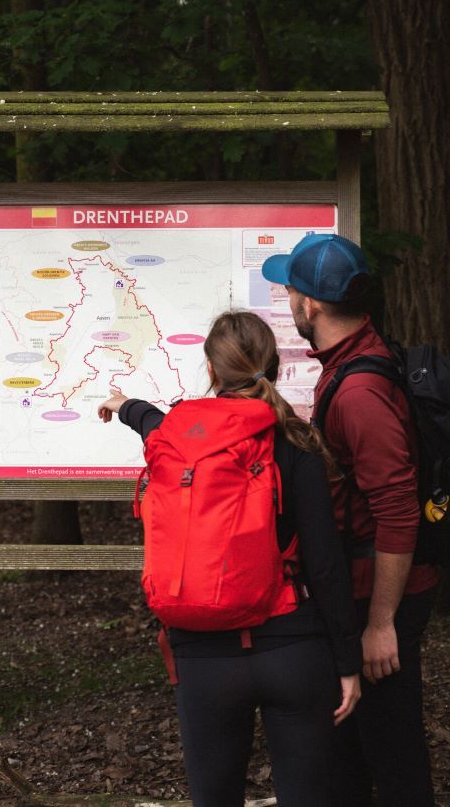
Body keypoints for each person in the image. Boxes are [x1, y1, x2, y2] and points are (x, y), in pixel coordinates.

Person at [98, 311, 362, 807]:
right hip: (292, 648)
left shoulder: (174, 435)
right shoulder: (297, 443)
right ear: (274, 366)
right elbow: (325, 562)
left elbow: (150, 421)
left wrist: (125, 405)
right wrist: (348, 662)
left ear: (212, 370)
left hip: (203, 659)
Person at [261, 233, 439, 807]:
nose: (287, 296)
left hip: (379, 596)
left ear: (309, 304)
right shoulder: (354, 360)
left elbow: (397, 508)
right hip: (365, 591)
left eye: (290, 286)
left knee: (393, 754)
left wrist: (381, 622)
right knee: (362, 749)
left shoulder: (359, 390)